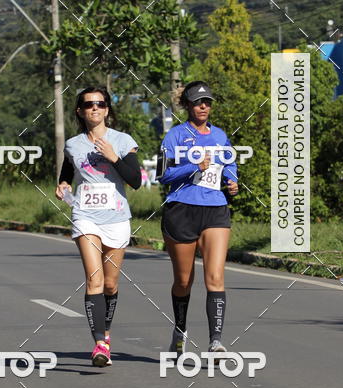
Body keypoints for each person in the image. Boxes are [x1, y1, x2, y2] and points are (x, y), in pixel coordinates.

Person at [55, 87, 141, 367]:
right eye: (88, 104)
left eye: (100, 104)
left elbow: (136, 181)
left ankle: (106, 333)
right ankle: (100, 344)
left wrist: (113, 156)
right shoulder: (73, 144)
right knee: (95, 280)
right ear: (80, 111)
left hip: (116, 218)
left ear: (107, 109)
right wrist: (64, 184)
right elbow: (68, 170)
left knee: (111, 283)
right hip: (85, 215)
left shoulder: (122, 140)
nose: (95, 108)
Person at [158, 81, 238, 357]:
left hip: (215, 208)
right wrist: (195, 166)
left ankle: (216, 341)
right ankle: (179, 330)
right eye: (198, 102)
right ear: (187, 105)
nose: (204, 106)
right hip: (181, 209)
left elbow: (230, 162)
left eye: (208, 102)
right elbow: (164, 175)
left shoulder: (219, 135)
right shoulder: (175, 136)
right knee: (183, 281)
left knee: (215, 277)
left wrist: (232, 180)